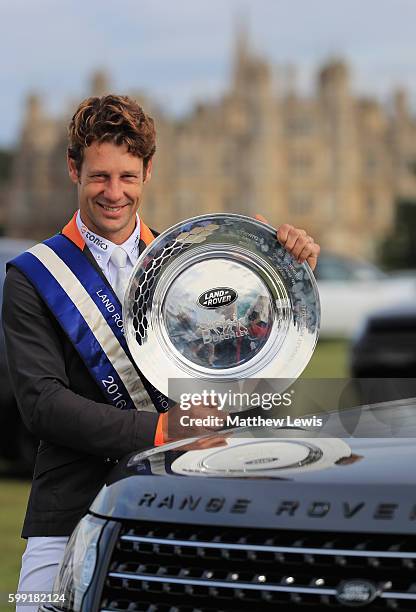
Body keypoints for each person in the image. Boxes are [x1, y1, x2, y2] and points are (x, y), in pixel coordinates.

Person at [2, 94, 320, 608]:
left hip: (186, 495)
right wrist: (162, 430)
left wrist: (283, 268)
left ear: (147, 172)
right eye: (99, 177)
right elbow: (42, 406)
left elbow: (247, 367)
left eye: (127, 177)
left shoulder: (192, 261)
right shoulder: (33, 276)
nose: (113, 193)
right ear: (72, 169)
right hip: (72, 506)